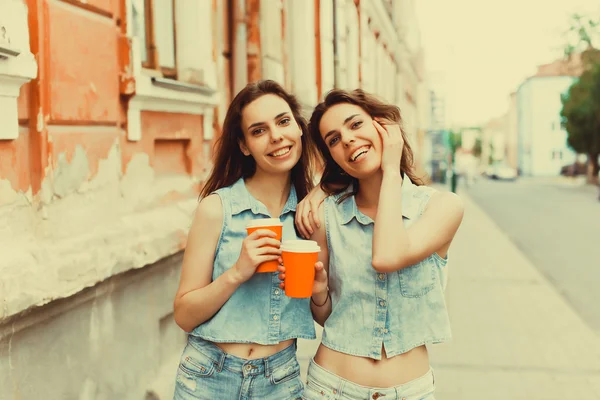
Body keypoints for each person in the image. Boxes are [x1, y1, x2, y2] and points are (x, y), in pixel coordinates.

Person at [283, 89, 464, 399]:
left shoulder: (442, 208)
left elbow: (388, 255)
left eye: (355, 125)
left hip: (411, 392)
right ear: (333, 157)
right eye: (334, 140)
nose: (348, 140)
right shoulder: (326, 216)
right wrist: (319, 294)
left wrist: (392, 170)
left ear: (385, 128)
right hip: (331, 388)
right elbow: (328, 318)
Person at [172, 80, 319, 400]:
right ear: (243, 145)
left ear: (299, 128)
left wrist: (318, 287)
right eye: (258, 130)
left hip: (280, 379)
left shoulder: (311, 214)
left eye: (283, 121)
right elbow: (184, 314)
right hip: (208, 376)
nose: (276, 136)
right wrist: (237, 272)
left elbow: (324, 312)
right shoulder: (217, 210)